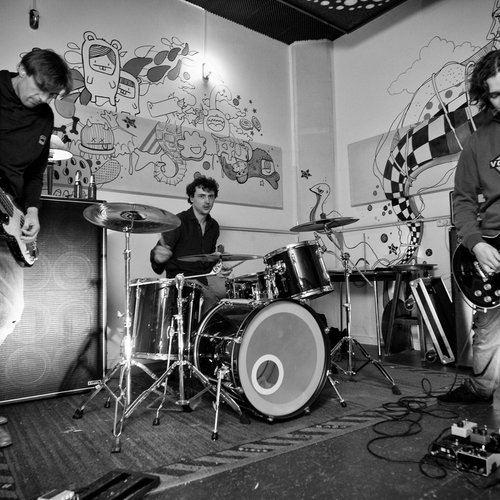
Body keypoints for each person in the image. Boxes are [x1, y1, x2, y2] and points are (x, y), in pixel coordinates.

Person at [0, 48, 72, 447]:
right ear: (22, 69)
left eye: (51, 95)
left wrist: (31, 211)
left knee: (9, 311)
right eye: (41, 89)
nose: (43, 100)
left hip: (8, 217)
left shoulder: (44, 117)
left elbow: (34, 172)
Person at [439, 49, 500, 405]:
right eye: (496, 94)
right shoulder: (477, 142)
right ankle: (481, 389)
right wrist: (476, 243)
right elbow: (462, 201)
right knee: (488, 329)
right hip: (492, 247)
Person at [150, 175, 226, 316]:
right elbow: (157, 262)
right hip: (182, 281)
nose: (207, 201)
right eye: (202, 196)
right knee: (210, 301)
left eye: (211, 196)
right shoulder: (178, 222)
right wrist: (158, 259)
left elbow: (206, 262)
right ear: (191, 198)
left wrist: (218, 263)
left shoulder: (214, 226)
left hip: (205, 278)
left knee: (232, 294)